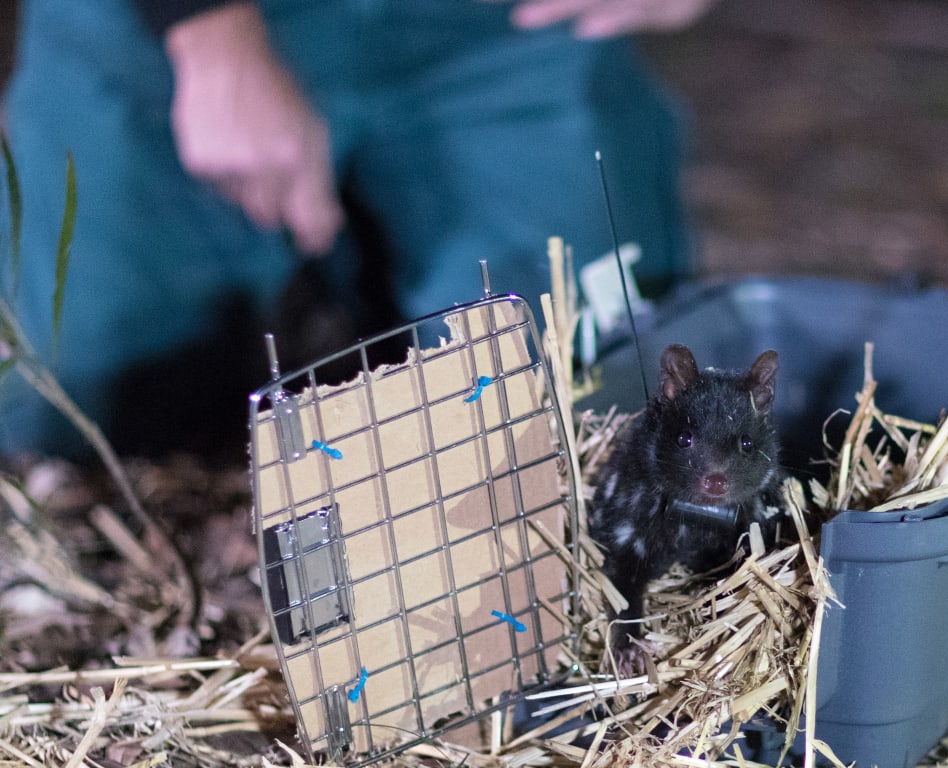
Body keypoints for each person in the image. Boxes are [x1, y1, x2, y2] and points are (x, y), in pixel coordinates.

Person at [1, 0, 717, 457]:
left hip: (498, 31)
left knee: (594, 402)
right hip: (156, 32)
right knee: (67, 415)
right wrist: (208, 35)